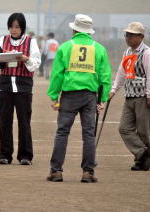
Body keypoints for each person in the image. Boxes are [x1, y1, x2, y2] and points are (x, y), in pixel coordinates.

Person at [46, 14, 111, 183]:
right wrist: (102, 99)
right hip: (90, 96)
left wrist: (54, 96)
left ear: (74, 29)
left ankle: (56, 171)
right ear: (89, 31)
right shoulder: (99, 49)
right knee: (89, 134)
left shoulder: (65, 47)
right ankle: (88, 172)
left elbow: (57, 75)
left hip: (69, 95)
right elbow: (105, 77)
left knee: (62, 132)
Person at [0, 13, 41, 165]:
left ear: (23, 28)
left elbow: (36, 62)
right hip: (5, 85)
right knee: (5, 120)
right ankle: (4, 154)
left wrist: (25, 59)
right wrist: (2, 57)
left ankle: (25, 155)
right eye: (12, 26)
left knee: (24, 120)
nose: (14, 30)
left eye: (17, 27)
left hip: (23, 85)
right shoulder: (3, 40)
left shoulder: (30, 42)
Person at [109, 22, 150, 171]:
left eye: (131, 35)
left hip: (143, 97)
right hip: (129, 96)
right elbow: (121, 74)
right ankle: (143, 152)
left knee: (143, 131)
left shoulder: (147, 53)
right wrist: (113, 90)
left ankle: (141, 161)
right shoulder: (127, 53)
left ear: (141, 37)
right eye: (126, 35)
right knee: (124, 128)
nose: (127, 38)